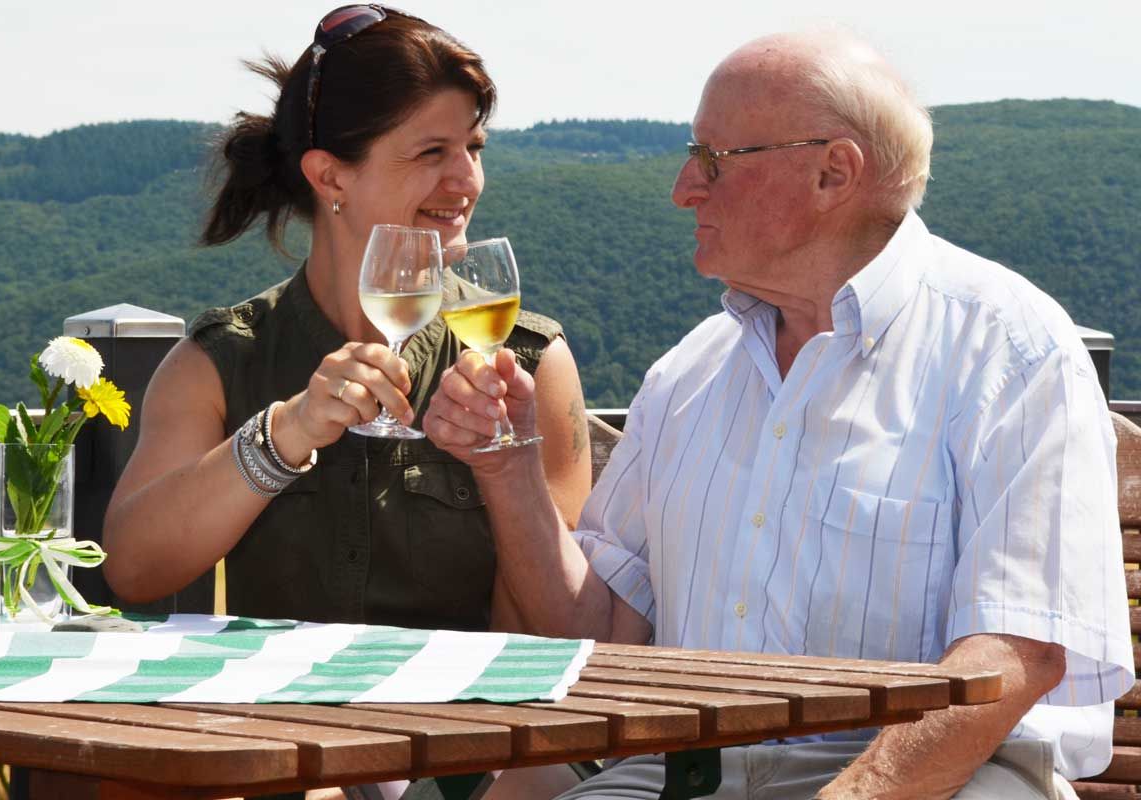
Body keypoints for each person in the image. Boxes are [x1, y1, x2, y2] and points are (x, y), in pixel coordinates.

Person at [424, 29, 1134, 800]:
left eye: (712, 160)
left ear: (833, 173)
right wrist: (509, 468)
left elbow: (1017, 652)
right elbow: (600, 638)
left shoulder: (1012, 351)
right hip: (694, 769)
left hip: (943, 777)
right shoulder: (690, 371)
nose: (682, 188)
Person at [101, 5, 591, 635]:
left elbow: (558, 624)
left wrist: (503, 465)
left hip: (466, 724)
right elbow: (134, 569)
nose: (467, 180)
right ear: (330, 175)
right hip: (276, 725)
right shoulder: (222, 360)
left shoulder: (527, 361)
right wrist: (284, 434)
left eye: (473, 147)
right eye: (431, 151)